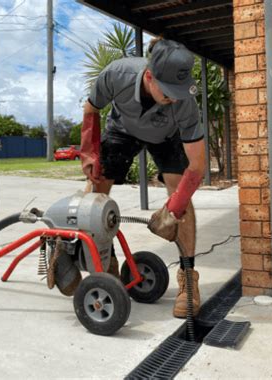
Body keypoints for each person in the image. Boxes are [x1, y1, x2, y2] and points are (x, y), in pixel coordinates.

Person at [80, 38, 205, 318]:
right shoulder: (116, 74)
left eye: (179, 91)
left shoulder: (184, 103)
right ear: (149, 76)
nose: (175, 97)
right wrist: (88, 153)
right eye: (169, 91)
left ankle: (188, 278)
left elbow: (196, 166)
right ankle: (106, 261)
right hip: (122, 129)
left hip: (167, 135)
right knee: (96, 191)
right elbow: (91, 109)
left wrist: (173, 210)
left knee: (181, 198)